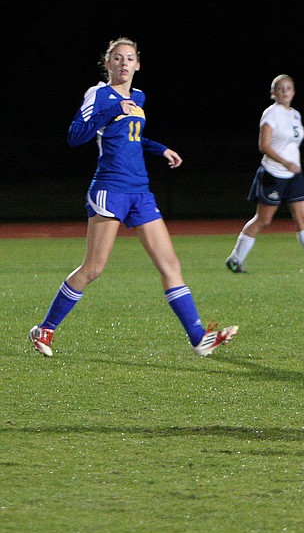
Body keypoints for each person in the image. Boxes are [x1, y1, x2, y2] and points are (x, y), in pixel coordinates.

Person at [28, 38, 238, 358]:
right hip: (110, 189)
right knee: (94, 268)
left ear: (138, 64)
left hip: (140, 191)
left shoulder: (139, 96)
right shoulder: (98, 95)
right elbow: (75, 135)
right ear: (107, 64)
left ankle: (198, 337)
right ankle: (45, 329)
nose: (124, 63)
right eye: (117, 58)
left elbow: (132, 138)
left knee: (170, 265)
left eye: (130, 58)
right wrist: (112, 109)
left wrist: (160, 148)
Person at [225, 74, 304, 274]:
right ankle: (235, 258)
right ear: (274, 93)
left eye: (288, 88)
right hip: (274, 173)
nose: (285, 91)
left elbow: (291, 144)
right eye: (280, 88)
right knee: (264, 220)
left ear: (294, 91)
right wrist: (285, 162)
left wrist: (294, 162)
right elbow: (264, 145)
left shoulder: (295, 114)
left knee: (303, 219)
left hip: (294, 175)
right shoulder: (271, 114)